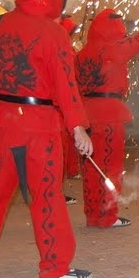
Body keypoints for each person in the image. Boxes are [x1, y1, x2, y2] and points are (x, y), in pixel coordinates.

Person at [0, 0, 94, 278]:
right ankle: (54, 269)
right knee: (47, 196)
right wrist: (78, 127)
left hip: (1, 124)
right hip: (39, 128)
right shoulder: (54, 32)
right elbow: (65, 85)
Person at [75, 5, 139, 227]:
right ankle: (107, 216)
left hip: (86, 115)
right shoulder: (111, 48)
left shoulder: (82, 53)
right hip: (108, 115)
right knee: (110, 166)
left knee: (91, 167)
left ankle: (93, 214)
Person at [59, 15, 81, 204]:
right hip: (57, 109)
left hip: (62, 108)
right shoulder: (62, 51)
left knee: (66, 148)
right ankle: (55, 192)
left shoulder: (67, 49)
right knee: (58, 152)